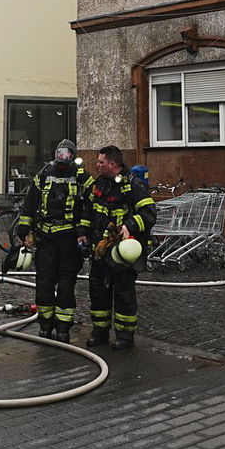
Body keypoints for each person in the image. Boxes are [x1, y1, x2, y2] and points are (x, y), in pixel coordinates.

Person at [86, 145, 156, 350]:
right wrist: (83, 233)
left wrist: (129, 225)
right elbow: (89, 211)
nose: (97, 165)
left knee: (124, 293)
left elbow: (149, 213)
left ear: (113, 164)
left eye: (101, 162)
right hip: (100, 248)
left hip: (121, 251)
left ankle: (125, 336)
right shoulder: (99, 183)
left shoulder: (132, 185)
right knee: (98, 292)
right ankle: (99, 332)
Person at [15, 139, 87, 340]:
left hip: (69, 241)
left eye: (66, 153)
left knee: (66, 285)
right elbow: (31, 202)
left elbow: (89, 206)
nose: (62, 157)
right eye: (59, 153)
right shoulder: (44, 174)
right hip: (46, 238)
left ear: (72, 155)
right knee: (44, 284)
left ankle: (63, 327)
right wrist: (24, 228)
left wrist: (84, 230)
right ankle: (45, 324)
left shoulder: (81, 176)